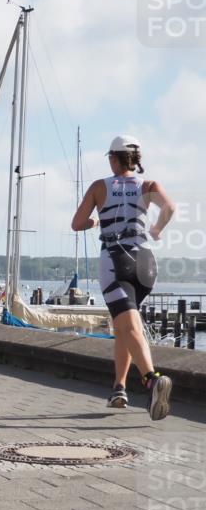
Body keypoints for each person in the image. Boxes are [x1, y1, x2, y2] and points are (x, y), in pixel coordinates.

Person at [71, 135, 176, 420]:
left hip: (115, 262)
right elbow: (169, 209)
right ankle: (119, 388)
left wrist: (95, 221)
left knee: (127, 325)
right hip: (145, 265)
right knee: (124, 325)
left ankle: (152, 380)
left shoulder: (99, 187)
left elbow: (76, 223)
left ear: (114, 159)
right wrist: (156, 229)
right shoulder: (148, 185)